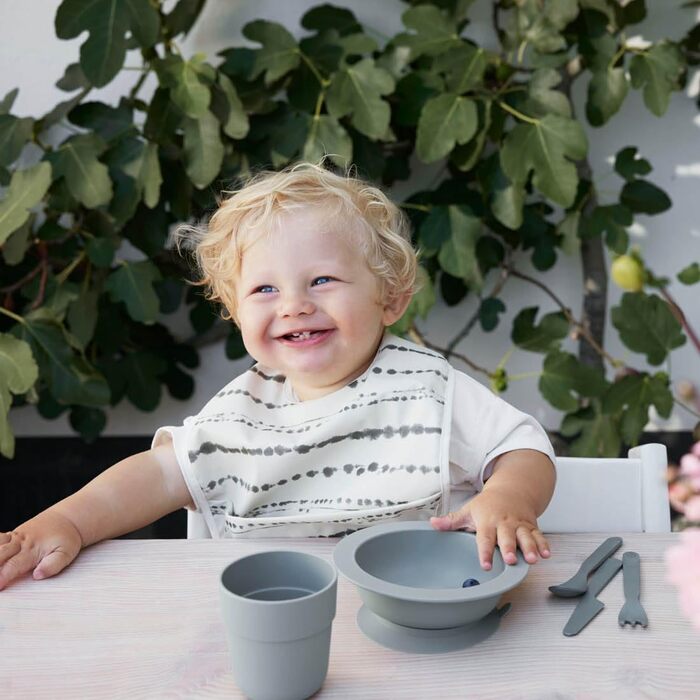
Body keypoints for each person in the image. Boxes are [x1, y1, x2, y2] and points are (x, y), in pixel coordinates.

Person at [0, 162, 556, 591]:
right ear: (235, 312)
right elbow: (161, 477)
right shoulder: (240, 414)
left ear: (390, 297)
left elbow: (522, 447)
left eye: (322, 280)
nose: (293, 305)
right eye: (265, 289)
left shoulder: (428, 390)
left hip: (419, 611)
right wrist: (69, 521)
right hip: (274, 616)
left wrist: (509, 496)